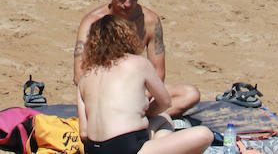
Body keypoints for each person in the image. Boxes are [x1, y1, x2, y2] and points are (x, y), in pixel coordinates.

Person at [75, 0, 202, 116]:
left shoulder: (150, 21)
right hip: (103, 92)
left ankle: (133, 119)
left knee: (190, 94)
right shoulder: (92, 22)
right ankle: (136, 121)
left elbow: (158, 72)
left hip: (136, 92)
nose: (127, 4)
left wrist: (138, 99)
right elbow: (79, 75)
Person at [76, 15, 212, 154]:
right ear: (126, 37)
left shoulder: (85, 77)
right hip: (128, 147)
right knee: (204, 134)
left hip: (94, 150)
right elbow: (165, 102)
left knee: (162, 119)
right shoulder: (138, 63)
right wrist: (145, 114)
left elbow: (84, 133)